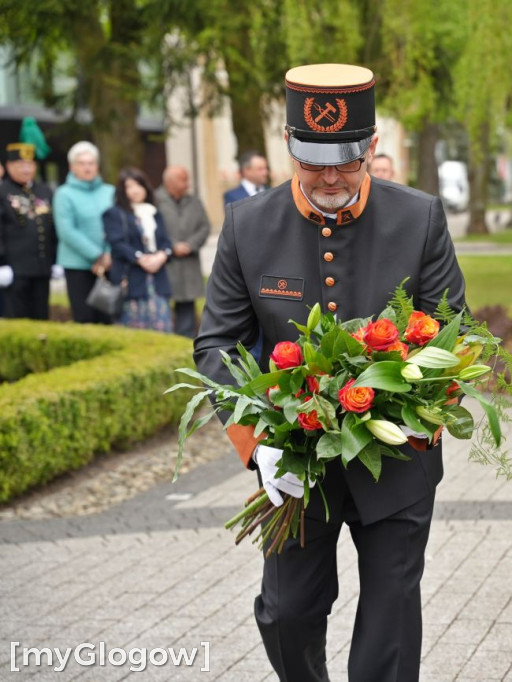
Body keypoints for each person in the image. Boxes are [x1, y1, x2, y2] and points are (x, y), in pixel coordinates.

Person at [194, 63, 467, 681]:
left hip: (397, 459)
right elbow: (216, 344)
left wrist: (413, 399)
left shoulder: (419, 218)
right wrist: (258, 443)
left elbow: (455, 330)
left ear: (371, 147)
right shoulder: (247, 225)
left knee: (392, 615)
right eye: (313, 161)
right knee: (286, 611)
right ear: (288, 146)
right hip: (292, 461)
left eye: (345, 160)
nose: (329, 177)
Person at [102, 168, 174, 331]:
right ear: (122, 190)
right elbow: (117, 242)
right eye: (129, 186)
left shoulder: (154, 212)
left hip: (157, 282)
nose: (135, 190)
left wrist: (161, 256)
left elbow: (166, 242)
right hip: (131, 281)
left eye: (139, 185)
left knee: (162, 331)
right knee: (134, 330)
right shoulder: (114, 214)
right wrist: (140, 258)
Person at [53, 141, 115, 324]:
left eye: (91, 163)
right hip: (77, 265)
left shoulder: (110, 191)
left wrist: (109, 254)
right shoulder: (63, 194)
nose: (87, 168)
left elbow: (118, 226)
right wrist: (97, 255)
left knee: (108, 316)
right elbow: (66, 230)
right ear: (72, 167)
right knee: (84, 316)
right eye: (81, 163)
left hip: (108, 263)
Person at [0, 139, 58, 319]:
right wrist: (1, 264)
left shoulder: (44, 191)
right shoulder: (3, 192)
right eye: (20, 164)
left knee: (41, 316)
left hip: (42, 267)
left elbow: (52, 227)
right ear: (9, 166)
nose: (26, 169)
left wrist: (55, 259)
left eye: (29, 164)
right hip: (14, 269)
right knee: (17, 318)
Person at [154, 165, 210, 336]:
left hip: (189, 262)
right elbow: (152, 228)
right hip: (165, 262)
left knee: (187, 304)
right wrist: (172, 246)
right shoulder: (155, 200)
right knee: (162, 302)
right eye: (183, 179)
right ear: (169, 182)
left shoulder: (194, 201)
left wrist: (190, 245)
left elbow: (204, 227)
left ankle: (185, 340)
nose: (188, 184)